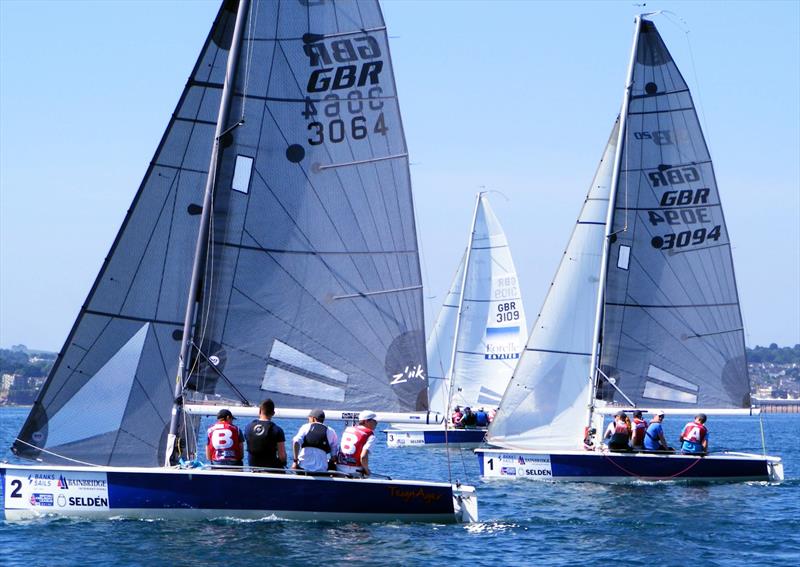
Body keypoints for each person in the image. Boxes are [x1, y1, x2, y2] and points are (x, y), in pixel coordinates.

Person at [244, 399, 286, 470]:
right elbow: (282, 456)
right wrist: (284, 462)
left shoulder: (248, 427)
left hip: (253, 467)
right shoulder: (277, 430)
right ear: (273, 413)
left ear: (259, 411)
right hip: (271, 468)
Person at [336, 410, 377, 477]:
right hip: (355, 470)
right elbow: (363, 457)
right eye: (374, 421)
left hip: (339, 468)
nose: (376, 423)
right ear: (366, 421)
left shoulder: (348, 429)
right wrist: (367, 470)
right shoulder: (370, 435)